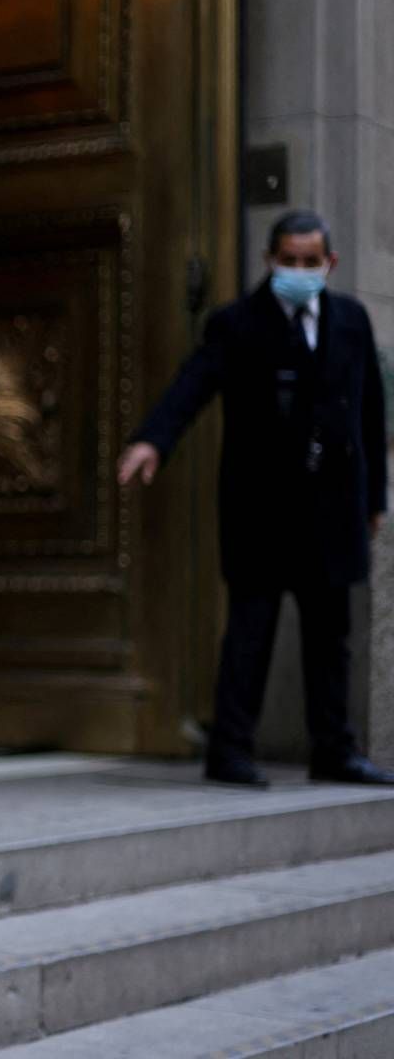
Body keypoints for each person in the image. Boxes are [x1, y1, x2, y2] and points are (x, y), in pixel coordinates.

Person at [119, 210, 394, 787]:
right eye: (287, 261)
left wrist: (373, 500)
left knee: (330, 639)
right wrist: (152, 441)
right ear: (269, 261)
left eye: (309, 262)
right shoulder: (237, 323)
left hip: (332, 508)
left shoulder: (350, 320)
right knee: (250, 632)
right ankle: (230, 751)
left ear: (330, 263)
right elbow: (193, 384)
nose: (298, 271)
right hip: (261, 510)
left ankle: (335, 751)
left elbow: (369, 414)